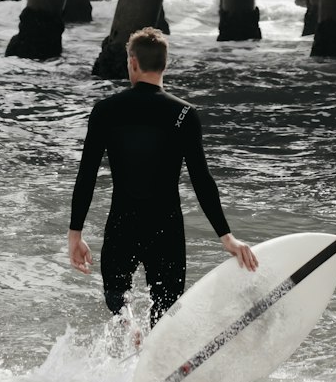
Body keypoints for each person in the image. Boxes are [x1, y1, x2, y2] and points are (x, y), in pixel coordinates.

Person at [67, 27, 257, 326]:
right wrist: (227, 236)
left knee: (118, 299)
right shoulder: (184, 114)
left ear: (132, 62)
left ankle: (131, 332)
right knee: (166, 312)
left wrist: (75, 233)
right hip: (166, 228)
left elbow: (87, 174)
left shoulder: (106, 111)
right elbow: (202, 179)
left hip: (122, 225)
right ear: (165, 65)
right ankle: (157, 353)